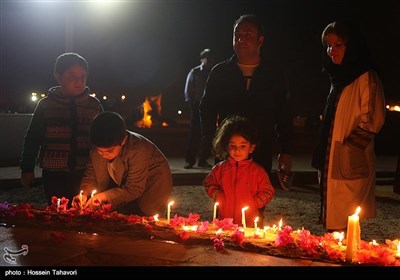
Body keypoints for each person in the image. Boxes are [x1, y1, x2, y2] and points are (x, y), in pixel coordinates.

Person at [199, 14, 293, 189]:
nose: (241, 39)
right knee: (225, 196)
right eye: (237, 35)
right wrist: (212, 140)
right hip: (228, 147)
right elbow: (207, 108)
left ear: (260, 40)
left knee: (257, 196)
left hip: (261, 148)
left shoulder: (273, 73)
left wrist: (285, 150)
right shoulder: (221, 72)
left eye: (248, 35)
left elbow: (284, 113)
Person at [311, 20, 386, 232]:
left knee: (346, 215)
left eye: (338, 45)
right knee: (334, 215)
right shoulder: (338, 79)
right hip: (332, 156)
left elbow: (373, 118)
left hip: (348, 159)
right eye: (328, 45)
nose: (331, 51)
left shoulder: (365, 76)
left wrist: (349, 149)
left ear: (352, 46)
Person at [20, 53, 103, 205]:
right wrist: (27, 168)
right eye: (72, 77)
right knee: (58, 213)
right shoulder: (46, 105)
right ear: (58, 76)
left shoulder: (94, 106)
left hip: (86, 172)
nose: (79, 82)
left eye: (82, 77)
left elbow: (104, 138)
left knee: (85, 213)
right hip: (54, 174)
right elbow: (32, 138)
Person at [72, 111, 173, 216]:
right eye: (99, 151)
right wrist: (84, 193)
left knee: (145, 216)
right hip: (125, 183)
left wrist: (102, 197)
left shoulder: (138, 150)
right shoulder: (99, 145)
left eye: (109, 151)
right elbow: (91, 175)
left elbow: (134, 188)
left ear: (123, 141)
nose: (104, 155)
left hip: (154, 183)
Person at [203, 115, 275, 227]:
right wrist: (217, 194)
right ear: (227, 146)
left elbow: (268, 191)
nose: (237, 150)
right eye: (233, 146)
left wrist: (254, 202)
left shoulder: (257, 171)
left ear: (251, 148)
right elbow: (208, 182)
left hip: (249, 223)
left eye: (242, 146)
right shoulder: (220, 169)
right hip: (224, 221)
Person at [184, 48, 215, 169]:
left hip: (210, 105)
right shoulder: (195, 72)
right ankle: (190, 160)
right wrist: (191, 105)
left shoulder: (213, 72)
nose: (210, 60)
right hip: (197, 105)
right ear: (202, 59)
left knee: (208, 133)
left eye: (212, 58)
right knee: (194, 134)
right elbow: (188, 90)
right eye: (208, 58)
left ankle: (203, 159)